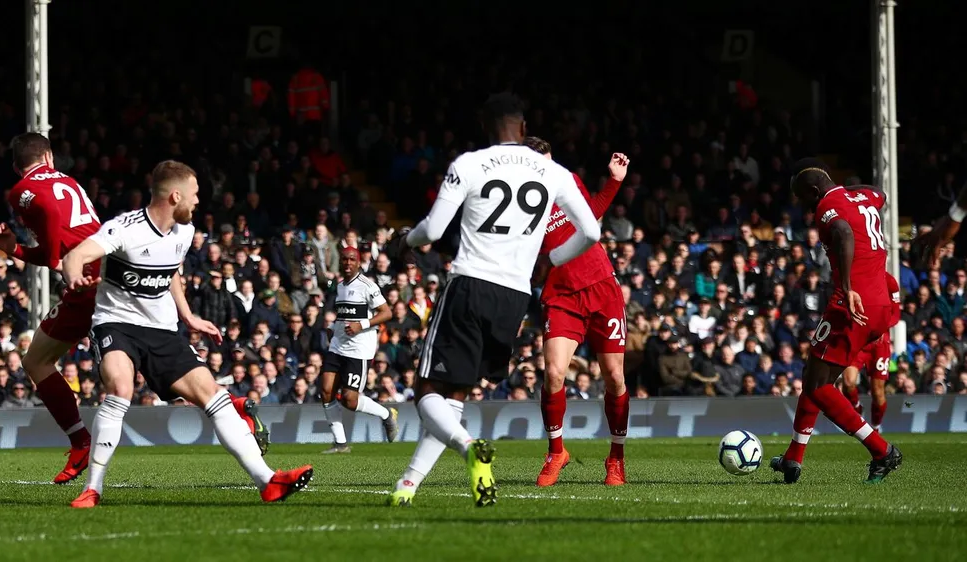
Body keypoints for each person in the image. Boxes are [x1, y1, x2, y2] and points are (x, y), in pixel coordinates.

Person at [387, 93, 600, 507]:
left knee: (426, 392)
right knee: (455, 397)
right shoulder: (554, 171)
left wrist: (403, 241)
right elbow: (590, 232)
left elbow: (431, 232)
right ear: (523, 128)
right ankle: (407, 485)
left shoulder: (469, 164)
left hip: (470, 283)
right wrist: (554, 257)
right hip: (514, 298)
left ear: (487, 129)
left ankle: (469, 448)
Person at [61, 161, 312, 508]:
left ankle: (267, 481)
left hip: (162, 330)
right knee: (120, 386)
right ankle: (93, 488)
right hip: (117, 324)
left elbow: (172, 273)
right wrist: (73, 277)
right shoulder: (125, 228)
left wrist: (189, 316)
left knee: (212, 393)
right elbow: (78, 254)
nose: (197, 202)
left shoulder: (184, 232)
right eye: (194, 195)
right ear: (175, 195)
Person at [770, 159, 902, 484]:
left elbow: (843, 232)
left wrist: (846, 287)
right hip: (880, 303)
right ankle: (793, 458)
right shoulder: (865, 198)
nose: (806, 207)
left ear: (815, 191)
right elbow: (879, 192)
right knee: (814, 372)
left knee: (818, 386)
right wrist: (849, 193)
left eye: (806, 199)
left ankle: (881, 450)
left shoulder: (827, 206)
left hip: (852, 304)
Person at [0, 132, 101, 483]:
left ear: (15, 166)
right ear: (50, 157)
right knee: (148, 360)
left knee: (37, 361)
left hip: (87, 283)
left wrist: (54, 257)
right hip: (106, 271)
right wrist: (18, 250)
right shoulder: (68, 180)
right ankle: (232, 408)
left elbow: (51, 218)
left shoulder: (21, 189)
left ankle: (81, 441)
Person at [523, 136, 630, 487]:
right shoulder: (518, 202)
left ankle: (616, 459)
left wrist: (613, 181)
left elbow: (593, 212)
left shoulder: (567, 181)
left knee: (614, 377)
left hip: (602, 287)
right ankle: (556, 452)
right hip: (562, 295)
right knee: (553, 372)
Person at [320, 245, 398, 454]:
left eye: (351, 259)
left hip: (359, 349)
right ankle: (340, 443)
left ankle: (386, 414)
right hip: (338, 345)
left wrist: (361, 325)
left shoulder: (367, 285)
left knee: (349, 399)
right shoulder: (339, 286)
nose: (347, 263)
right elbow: (344, 313)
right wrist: (332, 328)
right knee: (326, 391)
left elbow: (387, 312)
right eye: (344, 259)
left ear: (358, 262)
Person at [838, 273, 902, 431]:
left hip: (879, 343)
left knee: (877, 391)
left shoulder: (890, 282)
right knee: (847, 382)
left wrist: (880, 329)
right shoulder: (855, 278)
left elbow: (896, 313)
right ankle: (857, 409)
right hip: (859, 340)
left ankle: (875, 426)